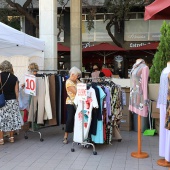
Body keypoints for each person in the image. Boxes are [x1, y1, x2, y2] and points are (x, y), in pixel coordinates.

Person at [0, 60, 22, 145]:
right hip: (12, 101)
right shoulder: (14, 77)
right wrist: (17, 101)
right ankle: (11, 138)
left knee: (1, 119)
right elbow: (16, 91)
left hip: (1, 101)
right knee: (11, 119)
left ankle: (1, 139)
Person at [63, 66, 81, 144]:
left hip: (78, 102)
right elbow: (77, 92)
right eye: (77, 75)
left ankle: (78, 135)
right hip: (71, 103)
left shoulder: (76, 81)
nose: (78, 77)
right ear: (72, 74)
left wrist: (78, 81)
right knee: (70, 119)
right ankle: (65, 136)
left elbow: (82, 86)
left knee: (78, 119)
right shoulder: (68, 82)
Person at [157, 61, 170, 165]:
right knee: (163, 129)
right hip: (163, 103)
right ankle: (165, 154)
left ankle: (168, 155)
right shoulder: (164, 70)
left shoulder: (167, 71)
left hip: (167, 103)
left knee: (168, 130)